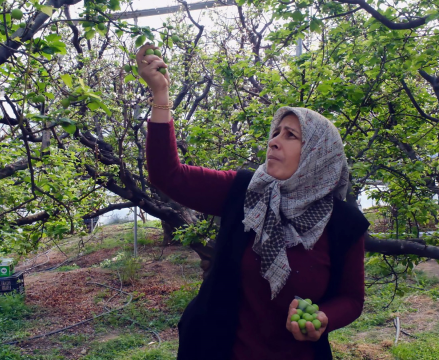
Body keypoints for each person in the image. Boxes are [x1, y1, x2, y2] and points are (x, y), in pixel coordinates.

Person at [136, 44, 370, 360]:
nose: (274, 140)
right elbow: (168, 175)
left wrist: (324, 318)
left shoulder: (344, 224)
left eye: (290, 135)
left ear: (318, 154)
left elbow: (352, 299)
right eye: (276, 132)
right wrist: (160, 96)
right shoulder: (246, 191)